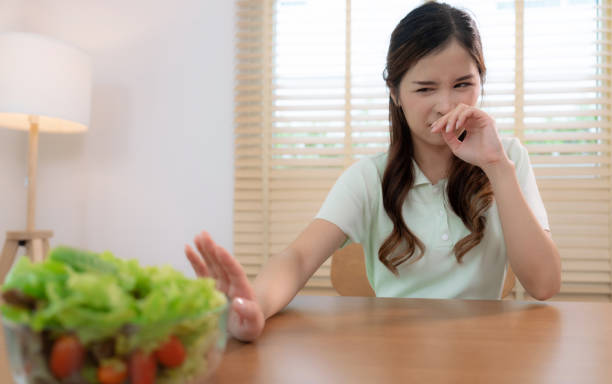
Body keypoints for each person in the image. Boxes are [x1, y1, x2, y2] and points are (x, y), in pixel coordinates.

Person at [185, 2, 561, 342]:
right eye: (425, 88)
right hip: (393, 356)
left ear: (481, 81)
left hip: (484, 354)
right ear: (395, 93)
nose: (446, 105)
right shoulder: (369, 178)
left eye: (463, 84)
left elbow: (543, 284)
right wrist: (253, 305)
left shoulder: (507, 158)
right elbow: (298, 258)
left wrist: (496, 166)